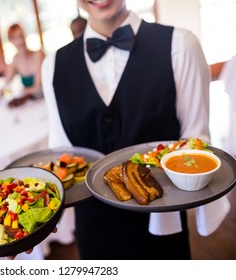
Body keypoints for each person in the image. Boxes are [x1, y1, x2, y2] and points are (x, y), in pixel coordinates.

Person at [41, 0, 212, 259]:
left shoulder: (181, 45)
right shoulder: (52, 64)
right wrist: (35, 221)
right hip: (94, 230)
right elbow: (63, 154)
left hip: (162, 227)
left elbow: (196, 142)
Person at [3, 24, 45, 107]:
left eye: (21, 35)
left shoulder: (39, 54)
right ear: (11, 41)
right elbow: (7, 82)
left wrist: (22, 92)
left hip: (43, 100)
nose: (20, 40)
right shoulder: (15, 60)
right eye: (14, 38)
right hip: (30, 104)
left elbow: (38, 87)